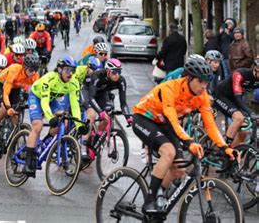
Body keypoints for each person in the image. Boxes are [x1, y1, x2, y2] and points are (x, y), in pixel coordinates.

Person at [132, 57, 237, 213]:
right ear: (189, 78)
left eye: (206, 82)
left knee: (179, 170)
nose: (204, 86)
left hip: (164, 124)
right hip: (145, 118)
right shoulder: (170, 88)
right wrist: (189, 142)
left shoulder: (202, 97)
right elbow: (173, 120)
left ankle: (159, 194)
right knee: (169, 152)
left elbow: (210, 126)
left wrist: (225, 147)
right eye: (200, 82)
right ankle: (149, 201)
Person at [24, 56, 88, 177]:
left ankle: (44, 144)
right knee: (38, 125)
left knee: (63, 122)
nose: (71, 73)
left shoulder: (73, 82)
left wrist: (80, 125)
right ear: (59, 69)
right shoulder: (49, 78)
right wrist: (50, 118)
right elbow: (44, 101)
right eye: (67, 70)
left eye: (73, 70)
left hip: (52, 100)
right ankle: (28, 162)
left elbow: (74, 105)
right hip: (37, 97)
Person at [82, 58, 131, 161]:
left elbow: (123, 102)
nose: (117, 75)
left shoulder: (121, 81)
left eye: (119, 72)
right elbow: (91, 98)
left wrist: (128, 117)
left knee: (107, 116)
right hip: (88, 92)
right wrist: (100, 112)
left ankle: (95, 143)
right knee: (92, 114)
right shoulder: (97, 75)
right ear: (108, 71)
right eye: (114, 72)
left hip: (102, 94)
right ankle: (83, 147)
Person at [0, 55, 41, 146]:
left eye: (35, 70)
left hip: (16, 88)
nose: (33, 73)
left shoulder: (35, 75)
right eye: (31, 70)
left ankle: (14, 137)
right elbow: (6, 93)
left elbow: (38, 92)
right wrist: (8, 107)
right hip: (2, 84)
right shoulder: (15, 70)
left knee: (15, 115)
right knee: (5, 109)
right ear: (24, 67)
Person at [214, 59, 259, 147]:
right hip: (222, 96)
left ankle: (232, 151)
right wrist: (251, 113)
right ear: (256, 70)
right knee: (239, 118)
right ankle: (224, 148)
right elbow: (238, 98)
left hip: (234, 99)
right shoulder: (240, 74)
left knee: (244, 130)